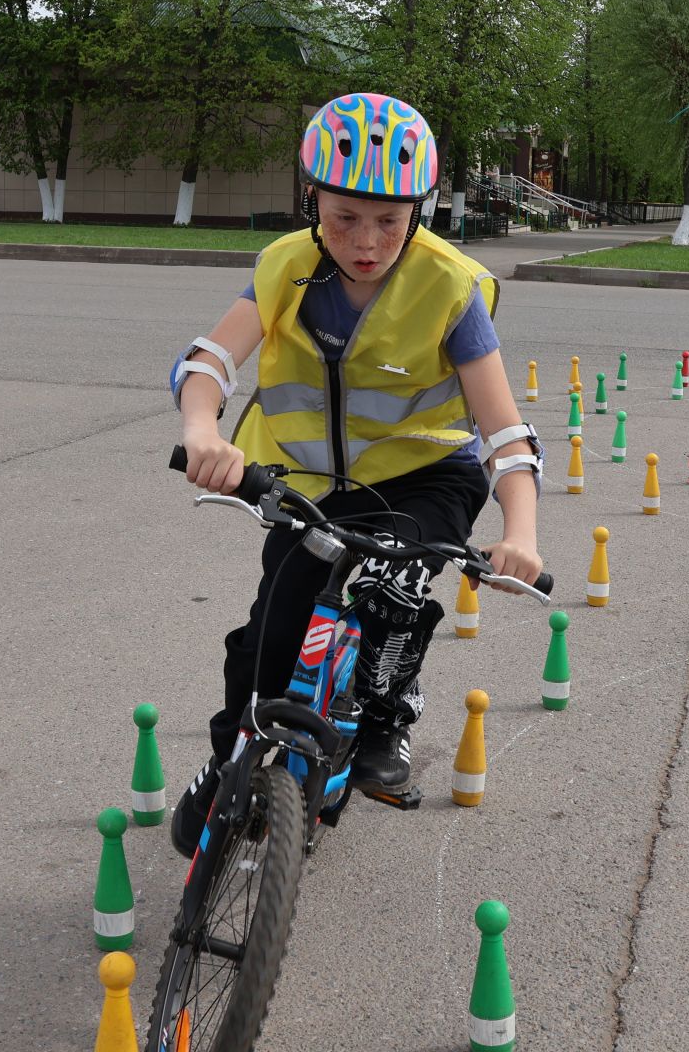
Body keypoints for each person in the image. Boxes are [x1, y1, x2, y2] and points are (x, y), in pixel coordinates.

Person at [168, 92, 544, 856]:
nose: (366, 242)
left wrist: (522, 533)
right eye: (344, 218)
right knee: (265, 640)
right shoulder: (286, 270)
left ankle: (384, 719)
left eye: (389, 221)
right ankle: (230, 760)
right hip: (309, 487)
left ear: (420, 211)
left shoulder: (450, 287)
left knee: (385, 589)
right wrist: (202, 430)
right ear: (312, 201)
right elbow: (208, 361)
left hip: (424, 479)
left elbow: (504, 431)